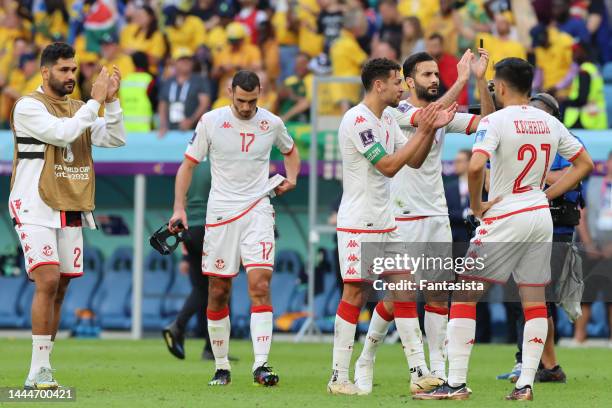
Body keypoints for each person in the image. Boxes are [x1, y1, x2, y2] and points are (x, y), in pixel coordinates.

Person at [414, 57, 593, 401]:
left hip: (504, 214)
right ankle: (525, 384)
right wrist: (547, 193)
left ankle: (455, 384)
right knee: (534, 299)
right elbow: (584, 163)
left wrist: (478, 206)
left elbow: (477, 163)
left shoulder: (495, 121)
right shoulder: (550, 122)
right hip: (539, 215)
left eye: (494, 84)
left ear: (504, 87)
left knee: (465, 294)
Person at [354, 48, 494, 395]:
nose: (434, 79)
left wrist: (478, 79)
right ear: (409, 80)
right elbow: (430, 116)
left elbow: (490, 125)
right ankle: (367, 356)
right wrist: (460, 78)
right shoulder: (397, 112)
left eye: (437, 74)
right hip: (401, 215)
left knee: (436, 297)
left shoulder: (444, 112)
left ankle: (437, 372)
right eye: (427, 75)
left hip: (435, 214)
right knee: (397, 297)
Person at [327, 57, 457, 396]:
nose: (402, 88)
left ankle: (418, 371)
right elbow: (387, 166)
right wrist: (427, 127)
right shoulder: (357, 120)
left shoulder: (388, 117)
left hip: (386, 221)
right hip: (358, 224)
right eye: (397, 82)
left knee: (405, 288)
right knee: (355, 293)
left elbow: (413, 159)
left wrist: (429, 129)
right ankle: (338, 376)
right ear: (378, 85)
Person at [169, 70, 300, 387]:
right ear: (230, 92)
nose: (245, 107)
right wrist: (178, 207)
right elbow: (187, 165)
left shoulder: (271, 123)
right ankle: (222, 366)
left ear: (260, 93)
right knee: (218, 291)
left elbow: (290, 151)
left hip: (258, 210)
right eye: (240, 100)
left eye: (252, 100)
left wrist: (292, 178)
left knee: (260, 285)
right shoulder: (211, 121)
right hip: (221, 216)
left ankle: (261, 365)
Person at [8, 42, 125, 389]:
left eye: (74, 69)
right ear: (45, 72)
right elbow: (62, 133)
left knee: (60, 287)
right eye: (63, 69)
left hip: (69, 205)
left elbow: (116, 138)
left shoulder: (78, 107)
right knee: (46, 280)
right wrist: (96, 102)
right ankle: (38, 371)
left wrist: (113, 101)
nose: (71, 75)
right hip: (33, 204)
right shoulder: (28, 106)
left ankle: (41, 368)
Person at [497, 92, 580, 384]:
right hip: (528, 226)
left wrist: (538, 182)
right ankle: (534, 362)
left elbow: (574, 175)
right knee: (529, 297)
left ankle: (543, 365)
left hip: (557, 229)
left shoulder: (560, 138)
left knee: (539, 298)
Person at [163, 160, 214, 360]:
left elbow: (181, 200)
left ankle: (207, 345)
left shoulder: (188, 166)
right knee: (219, 286)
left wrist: (184, 253)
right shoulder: (219, 160)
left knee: (202, 289)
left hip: (189, 229)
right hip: (210, 228)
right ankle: (181, 328)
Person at [158, 48, 211, 137]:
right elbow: (163, 104)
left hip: (193, 131)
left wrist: (191, 121)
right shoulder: (169, 82)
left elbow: (204, 104)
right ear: (174, 63)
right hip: (171, 131)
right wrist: (163, 124)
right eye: (182, 60)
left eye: (189, 59)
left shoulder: (199, 80)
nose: (186, 62)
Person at [562, 43, 608, 130]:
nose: (572, 54)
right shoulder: (593, 68)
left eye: (575, 51)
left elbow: (582, 99)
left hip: (583, 120)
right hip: (595, 120)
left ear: (584, 52)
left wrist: (565, 100)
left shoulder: (584, 71)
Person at [445, 150, 473, 243]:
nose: (455, 164)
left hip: (476, 238)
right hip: (455, 240)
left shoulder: (482, 186)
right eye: (455, 161)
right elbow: (446, 213)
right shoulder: (448, 188)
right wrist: (465, 213)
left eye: (459, 161)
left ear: (470, 163)